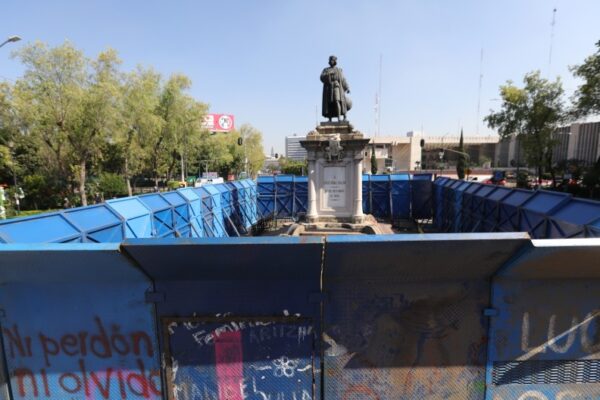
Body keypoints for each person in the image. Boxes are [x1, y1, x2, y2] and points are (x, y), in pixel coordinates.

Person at [321, 55, 351, 121]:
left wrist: (347, 87)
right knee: (329, 103)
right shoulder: (326, 70)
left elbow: (343, 79)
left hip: (336, 87)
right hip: (329, 88)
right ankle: (329, 119)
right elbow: (321, 77)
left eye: (332, 60)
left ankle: (339, 117)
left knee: (337, 101)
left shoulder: (339, 70)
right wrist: (328, 74)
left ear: (334, 61)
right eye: (330, 60)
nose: (330, 61)